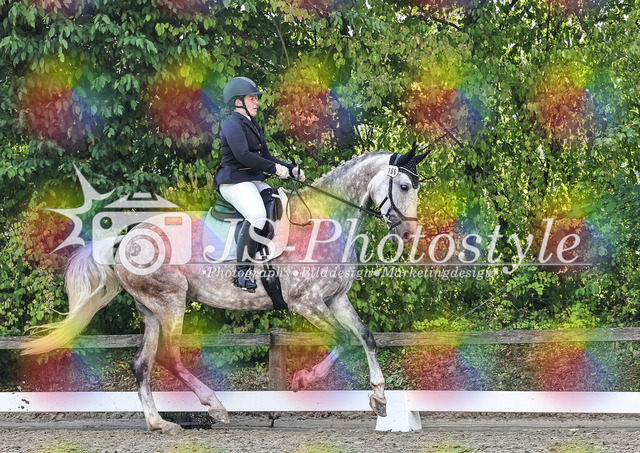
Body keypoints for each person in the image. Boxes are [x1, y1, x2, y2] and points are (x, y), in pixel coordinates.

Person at [213, 76, 305, 292]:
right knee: (257, 214)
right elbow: (243, 155)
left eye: (256, 98)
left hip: (251, 180)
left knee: (278, 201)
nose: (256, 102)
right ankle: (241, 273)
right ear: (238, 102)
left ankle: (267, 256)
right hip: (234, 181)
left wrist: (290, 169)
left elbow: (267, 156)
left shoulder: (252, 124)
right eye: (251, 98)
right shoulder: (232, 124)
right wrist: (274, 169)